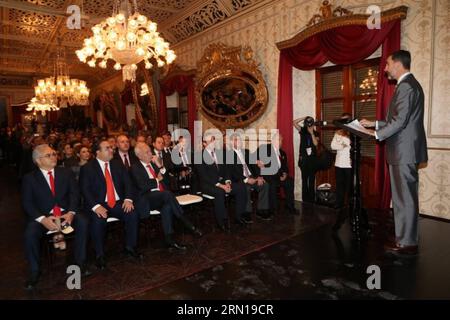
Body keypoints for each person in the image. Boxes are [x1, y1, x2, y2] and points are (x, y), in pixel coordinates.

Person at [361, 50, 427, 255]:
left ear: (398, 64)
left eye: (388, 64)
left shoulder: (406, 86)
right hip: (404, 150)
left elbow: (400, 122)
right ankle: (404, 236)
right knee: (402, 197)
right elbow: (399, 120)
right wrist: (375, 123)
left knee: (404, 198)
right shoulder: (409, 85)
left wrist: (376, 134)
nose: (386, 68)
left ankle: (407, 242)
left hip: (404, 151)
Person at [22, 144, 89, 290]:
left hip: (65, 215)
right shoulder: (30, 178)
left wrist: (71, 213)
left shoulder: (65, 172)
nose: (54, 156)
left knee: (83, 222)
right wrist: (43, 219)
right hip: (44, 217)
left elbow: (74, 194)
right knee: (30, 233)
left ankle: (80, 262)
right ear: (38, 161)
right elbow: (27, 203)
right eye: (49, 155)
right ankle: (34, 271)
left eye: (54, 153)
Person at [79, 140, 141, 270]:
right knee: (98, 220)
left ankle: (130, 247)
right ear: (97, 152)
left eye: (111, 148)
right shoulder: (88, 168)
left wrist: (128, 199)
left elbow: (128, 183)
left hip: (117, 203)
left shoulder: (117, 164)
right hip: (99, 204)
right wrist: (96, 206)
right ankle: (99, 255)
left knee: (132, 213)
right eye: (107, 148)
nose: (111, 150)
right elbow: (85, 190)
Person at [131, 142, 202, 250]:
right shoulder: (135, 168)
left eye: (150, 151)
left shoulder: (153, 164)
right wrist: (157, 179)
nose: (151, 154)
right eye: (147, 152)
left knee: (167, 207)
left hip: (161, 196)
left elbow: (166, 181)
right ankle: (187, 223)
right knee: (167, 194)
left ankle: (170, 240)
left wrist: (160, 166)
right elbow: (142, 185)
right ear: (139, 155)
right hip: (147, 198)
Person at [196, 133, 247, 232]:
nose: (213, 142)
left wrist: (227, 182)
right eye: (211, 140)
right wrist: (221, 185)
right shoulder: (199, 156)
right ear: (204, 143)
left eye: (214, 140)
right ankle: (222, 221)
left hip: (223, 183)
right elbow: (204, 177)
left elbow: (227, 170)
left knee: (241, 187)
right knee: (219, 192)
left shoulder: (220, 153)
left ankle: (239, 216)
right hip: (208, 185)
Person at [227, 133, 272, 222]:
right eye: (237, 140)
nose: (240, 142)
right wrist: (246, 179)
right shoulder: (228, 155)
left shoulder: (246, 152)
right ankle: (246, 212)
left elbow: (255, 166)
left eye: (240, 140)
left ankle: (261, 210)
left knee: (264, 184)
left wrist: (259, 176)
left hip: (251, 176)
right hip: (239, 180)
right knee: (246, 187)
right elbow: (232, 172)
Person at [257, 133, 297, 215]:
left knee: (290, 181)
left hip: (279, 175)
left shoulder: (282, 153)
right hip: (268, 175)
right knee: (272, 183)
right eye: (279, 140)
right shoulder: (265, 149)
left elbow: (285, 166)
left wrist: (285, 174)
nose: (281, 142)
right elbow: (261, 162)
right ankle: (273, 208)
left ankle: (290, 206)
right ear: (273, 141)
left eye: (281, 140)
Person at [330, 113, 352, 231]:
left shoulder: (352, 132)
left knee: (349, 186)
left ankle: (349, 206)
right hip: (339, 164)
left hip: (348, 164)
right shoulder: (337, 132)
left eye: (345, 120)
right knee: (339, 185)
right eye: (342, 120)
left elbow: (351, 144)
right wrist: (343, 144)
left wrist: (343, 142)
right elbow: (333, 146)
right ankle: (339, 204)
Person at [293, 116, 320, 203]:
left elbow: (315, 144)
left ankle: (312, 200)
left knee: (312, 180)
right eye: (308, 122)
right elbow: (294, 122)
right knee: (304, 180)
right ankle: (305, 200)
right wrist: (304, 117)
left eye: (311, 122)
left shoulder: (316, 133)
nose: (309, 124)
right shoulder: (303, 131)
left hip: (313, 159)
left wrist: (312, 133)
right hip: (304, 159)